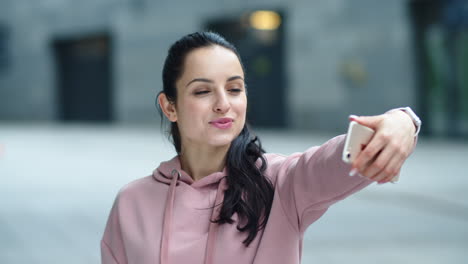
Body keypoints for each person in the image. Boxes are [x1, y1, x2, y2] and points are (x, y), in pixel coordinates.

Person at [101, 32, 420, 264]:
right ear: (169, 107)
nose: (223, 104)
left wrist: (403, 122)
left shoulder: (283, 184)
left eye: (234, 88)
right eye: (202, 91)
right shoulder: (132, 203)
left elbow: (339, 158)